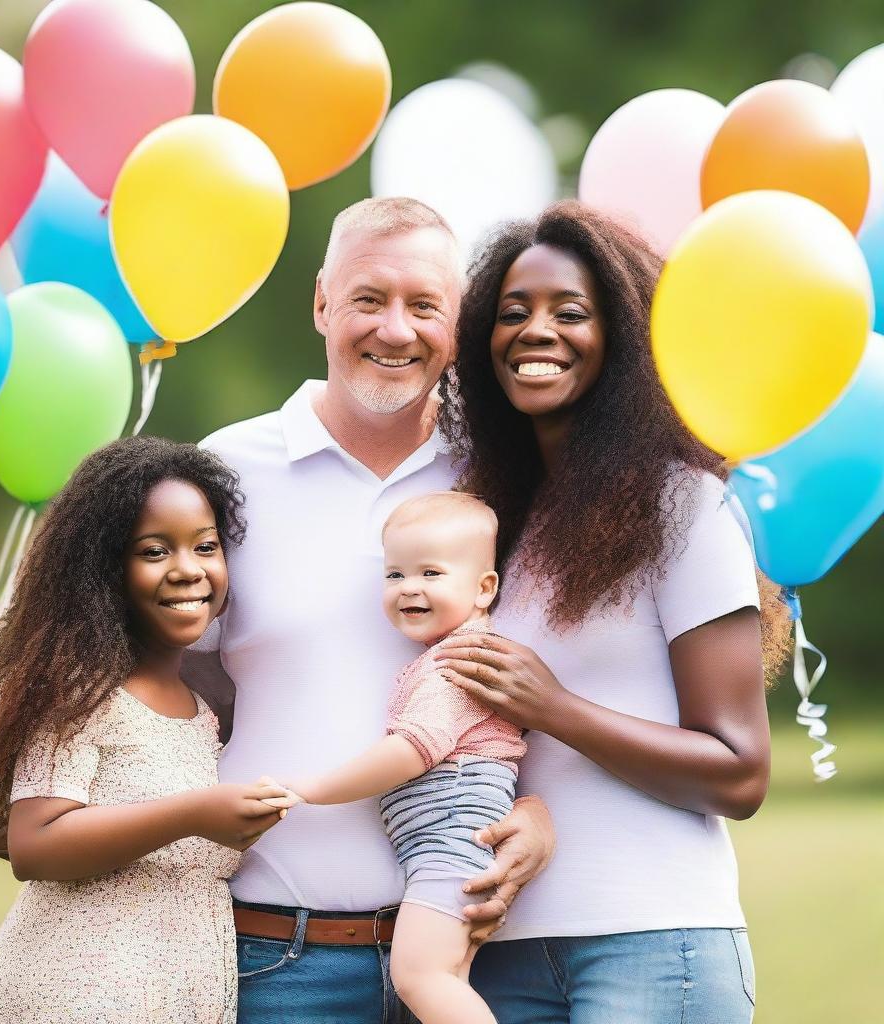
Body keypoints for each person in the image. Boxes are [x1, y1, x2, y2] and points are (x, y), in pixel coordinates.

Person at [186, 197, 555, 1024]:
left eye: (425, 305)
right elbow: (180, 693)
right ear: (321, 301)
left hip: (481, 961)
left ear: (457, 325)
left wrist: (539, 811)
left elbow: (547, 686)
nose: (396, 329)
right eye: (368, 298)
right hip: (278, 961)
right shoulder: (226, 471)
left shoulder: (500, 478)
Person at [431, 200, 793, 1024]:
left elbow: (740, 773)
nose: (536, 331)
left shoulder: (684, 508)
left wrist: (553, 707)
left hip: (654, 945)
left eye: (571, 312)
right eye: (512, 313)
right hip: (495, 952)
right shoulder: (490, 521)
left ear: (623, 339)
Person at [0, 437, 294, 1024]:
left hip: (173, 995)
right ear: (103, 570)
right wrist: (195, 815)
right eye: (154, 551)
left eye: (206, 546)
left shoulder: (202, 707)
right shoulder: (75, 690)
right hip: (78, 992)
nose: (189, 570)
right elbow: (34, 843)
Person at [266, 491, 526, 1024]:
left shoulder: (459, 664)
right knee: (446, 984)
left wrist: (315, 789)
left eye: (431, 573)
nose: (410, 587)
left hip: (451, 847)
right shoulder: (450, 656)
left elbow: (410, 751)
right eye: (395, 575)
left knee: (418, 977)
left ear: (484, 589)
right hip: (444, 850)